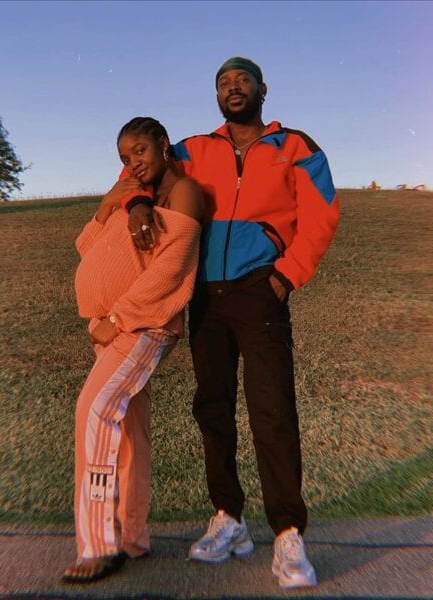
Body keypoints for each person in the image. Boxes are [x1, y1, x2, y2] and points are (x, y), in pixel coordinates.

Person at [122, 57, 340, 589]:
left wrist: (286, 275)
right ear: (216, 95)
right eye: (223, 82)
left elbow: (322, 215)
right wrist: (136, 203)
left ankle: (288, 533)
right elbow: (139, 168)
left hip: (260, 289)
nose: (233, 87)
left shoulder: (295, 146)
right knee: (212, 407)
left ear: (263, 89)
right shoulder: (193, 149)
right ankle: (228, 518)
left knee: (272, 409)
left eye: (242, 79)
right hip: (205, 295)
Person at [63, 117, 203, 583]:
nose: (133, 163)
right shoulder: (132, 196)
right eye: (125, 157)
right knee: (128, 430)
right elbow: (86, 246)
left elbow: (172, 267)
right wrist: (110, 205)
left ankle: (99, 544)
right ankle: (132, 537)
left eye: (140, 151)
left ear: (163, 145)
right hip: (113, 327)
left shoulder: (184, 192)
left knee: (95, 411)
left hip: (141, 326)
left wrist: (118, 319)